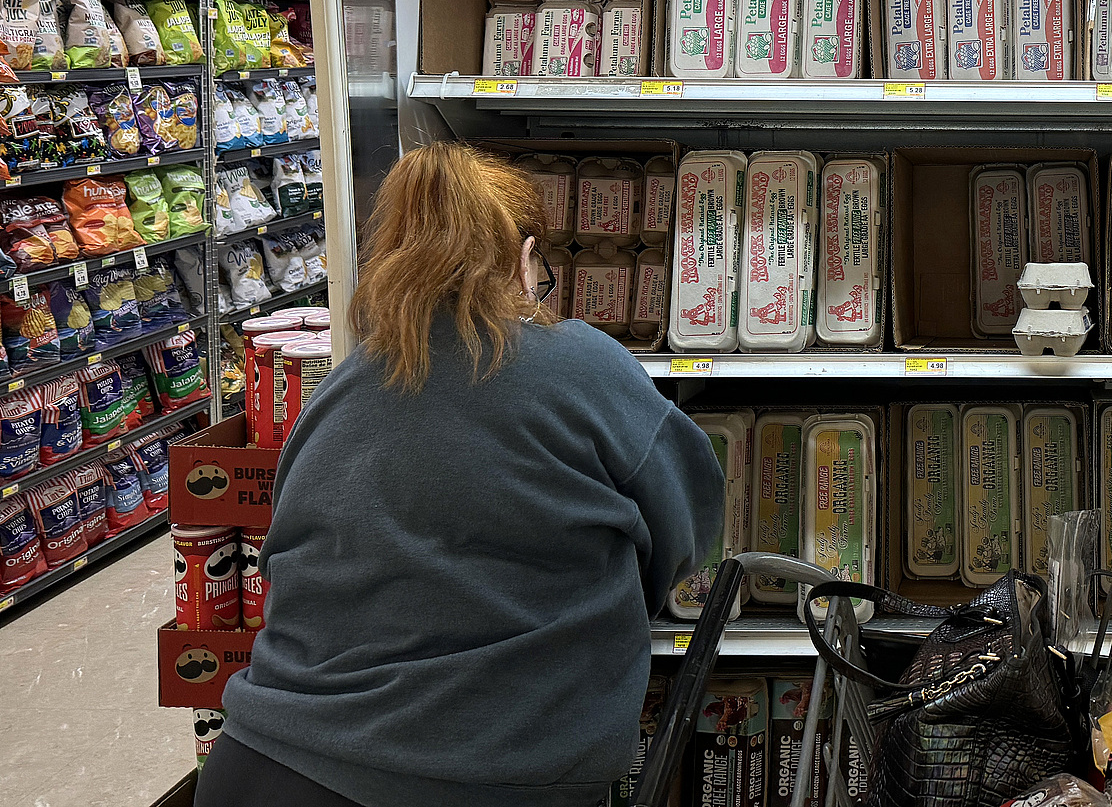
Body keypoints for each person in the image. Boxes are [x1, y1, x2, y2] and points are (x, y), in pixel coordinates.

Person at [199, 143, 725, 807]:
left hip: (261, 763)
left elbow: (294, 555)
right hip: (474, 777)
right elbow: (691, 523)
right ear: (525, 256)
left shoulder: (345, 384)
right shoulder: (581, 366)